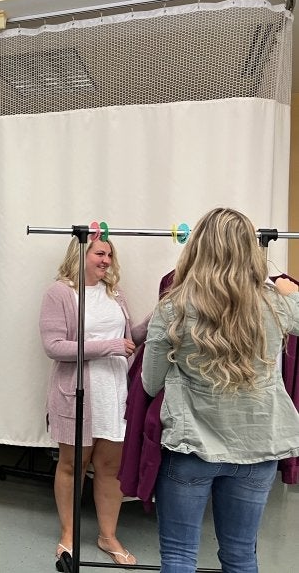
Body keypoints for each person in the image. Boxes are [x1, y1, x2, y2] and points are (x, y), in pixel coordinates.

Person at [142, 207, 299, 573]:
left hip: (191, 447)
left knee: (180, 556)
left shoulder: (173, 308)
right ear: (250, 250)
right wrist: (291, 291)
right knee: (241, 556)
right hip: (257, 448)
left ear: (198, 247)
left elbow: (150, 383)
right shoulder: (277, 305)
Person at [39, 237, 147, 566]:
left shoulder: (115, 293)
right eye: (100, 253)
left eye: (110, 255)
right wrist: (109, 346)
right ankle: (68, 534)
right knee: (72, 466)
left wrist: (157, 319)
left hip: (115, 394)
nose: (106, 261)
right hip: (77, 396)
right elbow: (54, 346)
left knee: (110, 469)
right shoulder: (60, 293)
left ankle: (107, 536)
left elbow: (128, 341)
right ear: (81, 254)